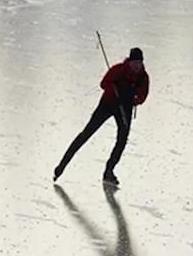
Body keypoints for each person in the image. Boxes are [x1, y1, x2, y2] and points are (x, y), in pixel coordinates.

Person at [53, 47, 149, 185]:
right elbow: (104, 83)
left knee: (122, 140)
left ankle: (109, 171)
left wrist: (130, 100)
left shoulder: (143, 77)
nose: (136, 66)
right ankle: (61, 167)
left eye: (139, 63)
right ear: (129, 62)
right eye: (134, 63)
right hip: (108, 103)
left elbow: (142, 97)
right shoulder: (118, 70)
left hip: (124, 108)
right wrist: (116, 92)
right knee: (86, 133)